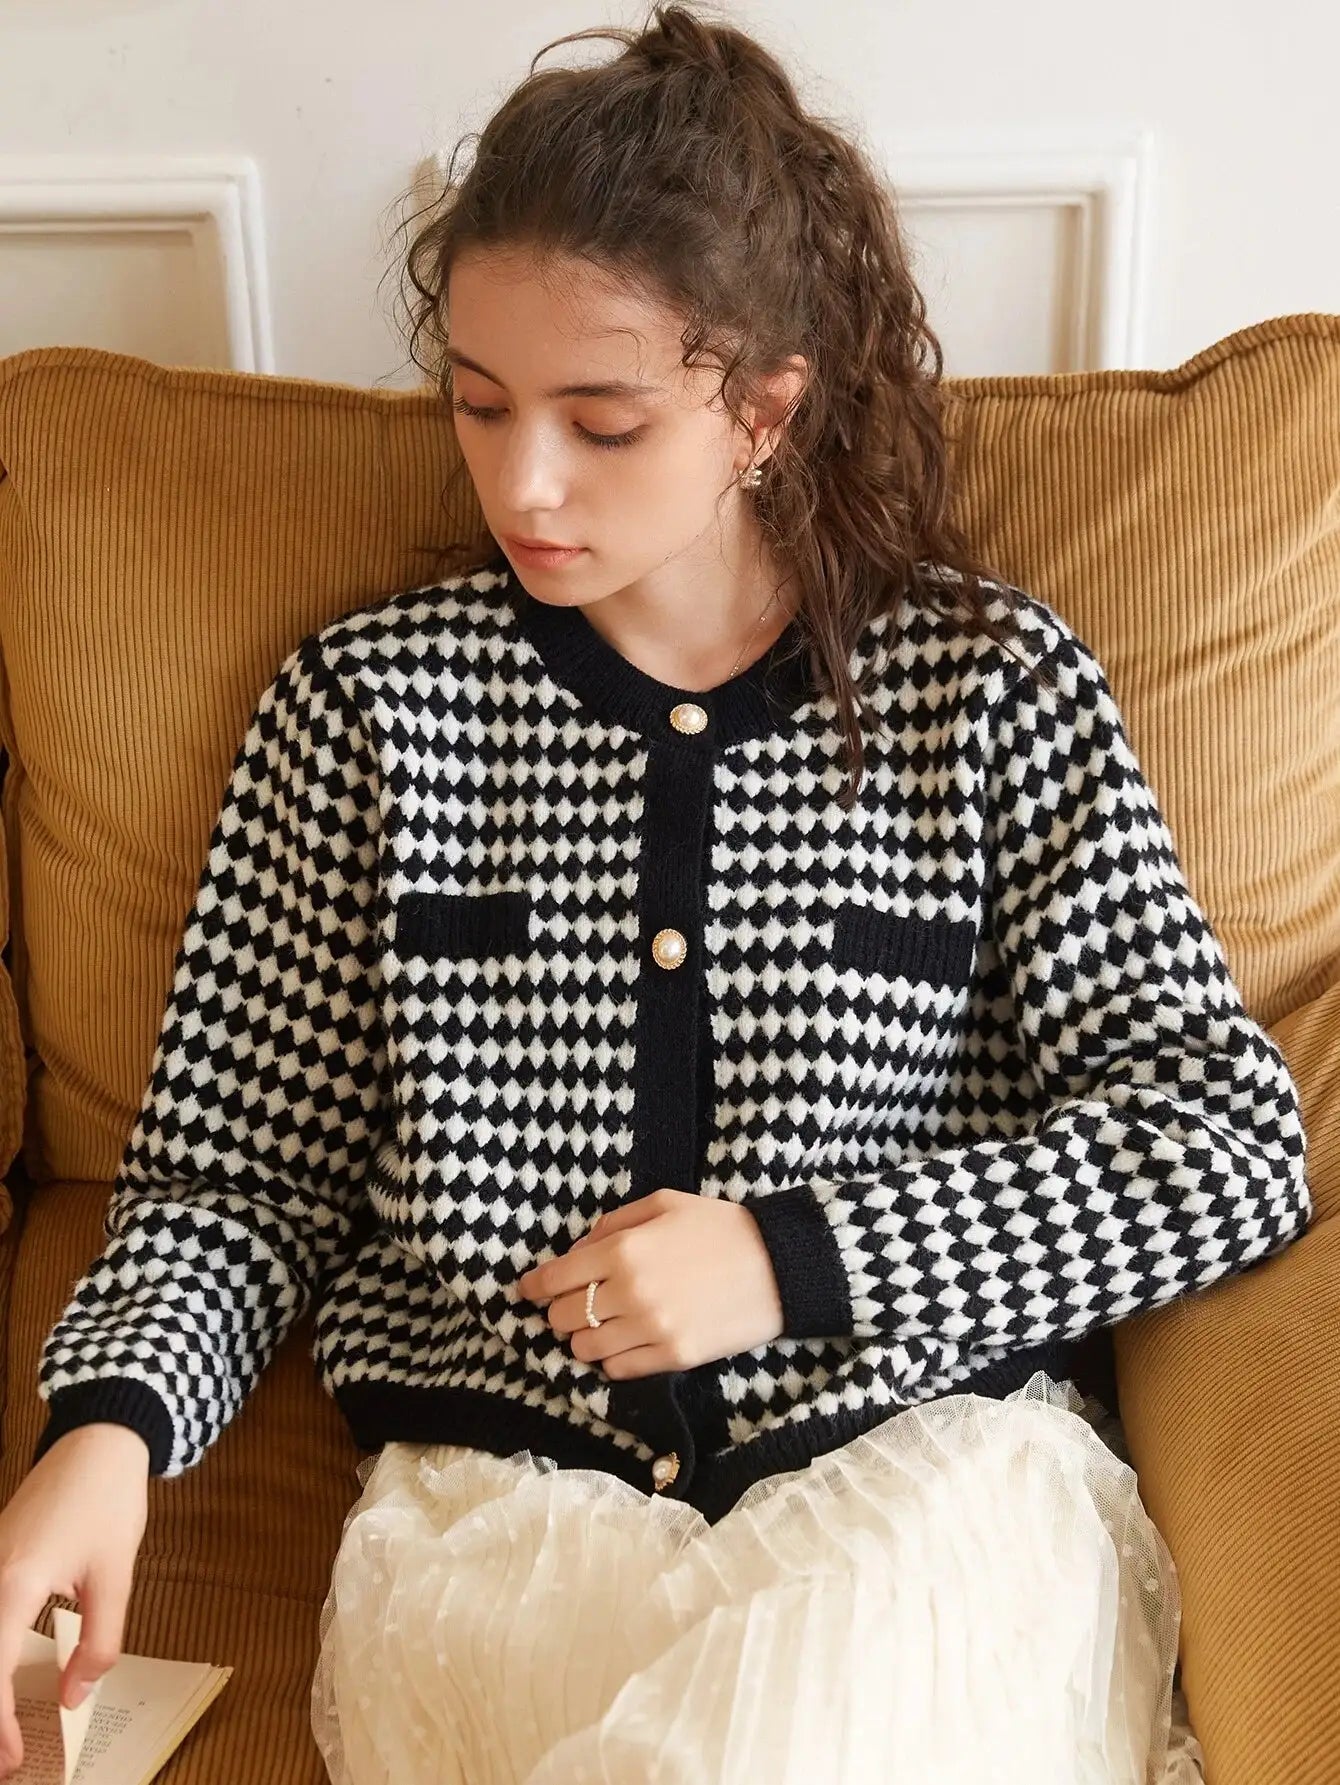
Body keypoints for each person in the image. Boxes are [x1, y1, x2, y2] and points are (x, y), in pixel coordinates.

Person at [0, 4, 1312, 1781]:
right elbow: (234, 1173)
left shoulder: (987, 692)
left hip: (915, 1479)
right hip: (502, 1523)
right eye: (479, 404)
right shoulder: (372, 710)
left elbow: (1226, 1143)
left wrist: (794, 1259)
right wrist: (106, 1428)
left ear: (764, 408)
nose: (520, 481)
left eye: (601, 422)